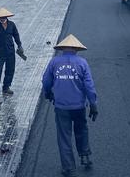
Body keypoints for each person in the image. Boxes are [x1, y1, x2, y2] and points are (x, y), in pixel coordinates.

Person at [42, 34, 98, 177]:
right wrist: (93, 105)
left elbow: (46, 81)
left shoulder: (54, 62)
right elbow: (89, 86)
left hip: (61, 107)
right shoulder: (82, 63)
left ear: (62, 48)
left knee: (64, 136)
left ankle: (68, 168)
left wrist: (48, 93)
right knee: (81, 130)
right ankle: (85, 156)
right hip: (79, 106)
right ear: (76, 49)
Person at [0, 7, 25, 98]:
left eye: (4, 17)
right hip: (0, 52)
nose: (2, 18)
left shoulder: (12, 25)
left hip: (10, 51)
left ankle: (6, 87)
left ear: (7, 16)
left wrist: (19, 45)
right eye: (0, 17)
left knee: (10, 70)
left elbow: (16, 35)